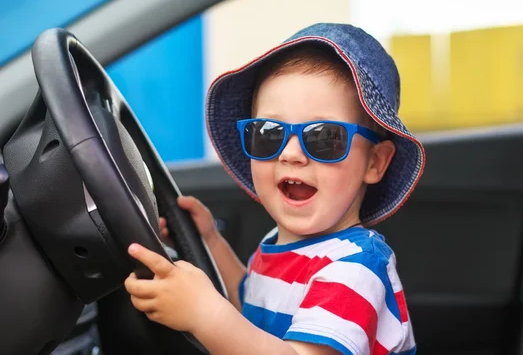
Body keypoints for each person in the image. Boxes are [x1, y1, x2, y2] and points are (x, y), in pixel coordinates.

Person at [124, 23, 425, 355]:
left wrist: (205, 315)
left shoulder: (355, 270)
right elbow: (251, 307)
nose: (290, 153)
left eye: (324, 138)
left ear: (374, 163)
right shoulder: (280, 244)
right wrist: (210, 240)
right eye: (268, 132)